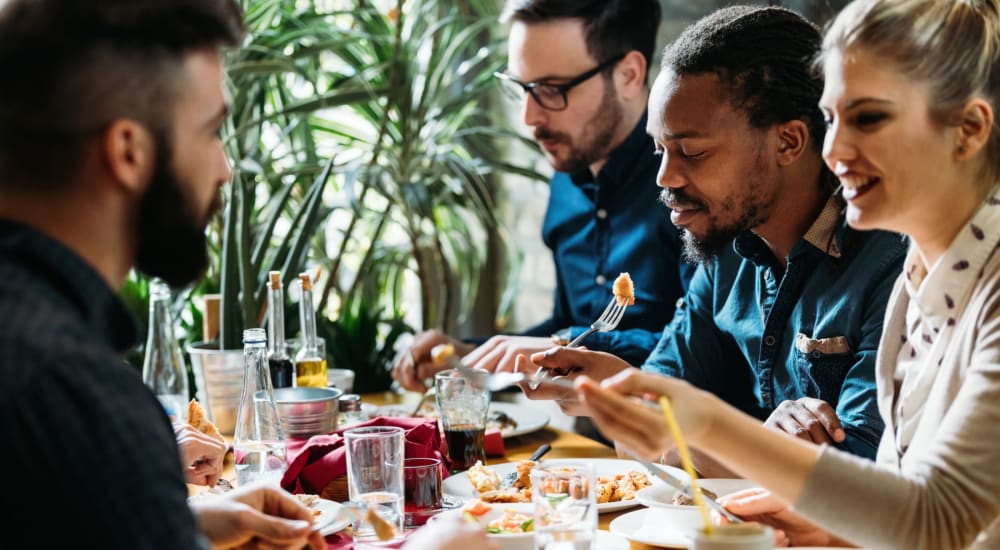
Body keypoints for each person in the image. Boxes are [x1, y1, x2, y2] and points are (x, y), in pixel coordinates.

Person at [577, 0, 1000, 547]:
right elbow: (897, 498)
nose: (836, 149)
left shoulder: (945, 279)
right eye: (832, 118)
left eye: (868, 118)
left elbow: (935, 520)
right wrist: (827, 526)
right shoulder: (921, 278)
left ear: (968, 130)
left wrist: (704, 423)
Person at [522, 4, 907, 473]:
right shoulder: (727, 252)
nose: (664, 178)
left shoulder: (893, 265)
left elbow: (861, 484)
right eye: (659, 149)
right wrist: (621, 391)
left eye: (692, 152)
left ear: (788, 142)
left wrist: (683, 426)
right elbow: (642, 443)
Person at [0, 1, 326, 548]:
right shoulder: (79, 395)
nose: (224, 168)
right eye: (211, 131)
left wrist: (174, 520)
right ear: (129, 150)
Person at [392, 0, 691, 391]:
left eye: (551, 90)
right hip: (590, 443)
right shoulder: (566, 182)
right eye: (521, 88)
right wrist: (468, 353)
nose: (529, 118)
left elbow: (702, 346)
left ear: (629, 75)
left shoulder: (690, 184)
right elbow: (566, 324)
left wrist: (566, 345)